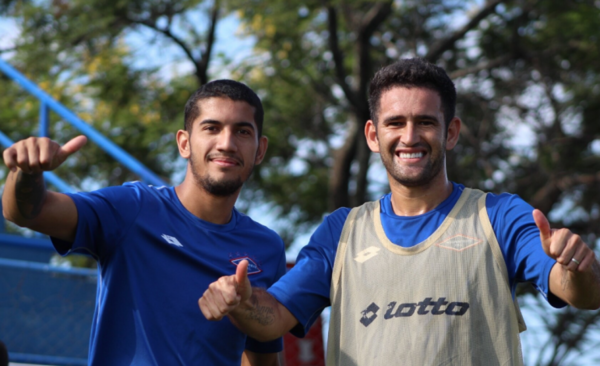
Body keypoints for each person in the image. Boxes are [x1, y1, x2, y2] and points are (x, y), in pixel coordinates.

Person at [198, 59, 600, 365]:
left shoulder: (499, 216)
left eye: (425, 122)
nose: (410, 137)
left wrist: (576, 268)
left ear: (452, 132)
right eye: (395, 123)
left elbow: (579, 292)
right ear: (374, 135)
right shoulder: (341, 231)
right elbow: (274, 319)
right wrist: (242, 302)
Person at [2, 80, 286, 366]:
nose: (226, 143)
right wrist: (26, 173)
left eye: (242, 131)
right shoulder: (134, 208)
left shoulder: (267, 247)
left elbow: (262, 359)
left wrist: (242, 308)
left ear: (260, 150)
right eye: (211, 128)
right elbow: (27, 212)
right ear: (184, 143)